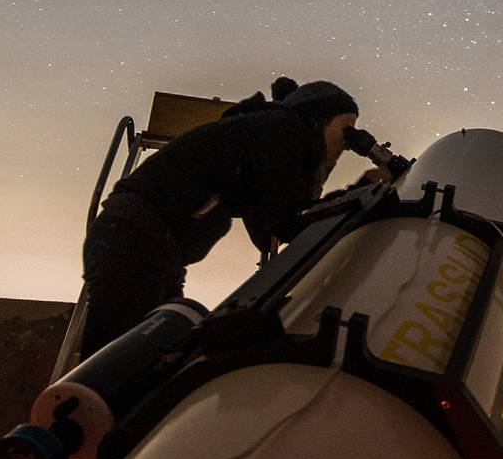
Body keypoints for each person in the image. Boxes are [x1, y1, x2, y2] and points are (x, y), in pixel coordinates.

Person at [78, 76, 359, 358]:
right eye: (347, 130)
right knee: (117, 358)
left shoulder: (264, 131)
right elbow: (288, 222)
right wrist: (357, 192)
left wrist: (322, 175)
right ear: (321, 118)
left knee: (156, 353)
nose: (348, 143)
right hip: (137, 242)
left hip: (150, 245)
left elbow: (266, 233)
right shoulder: (282, 131)